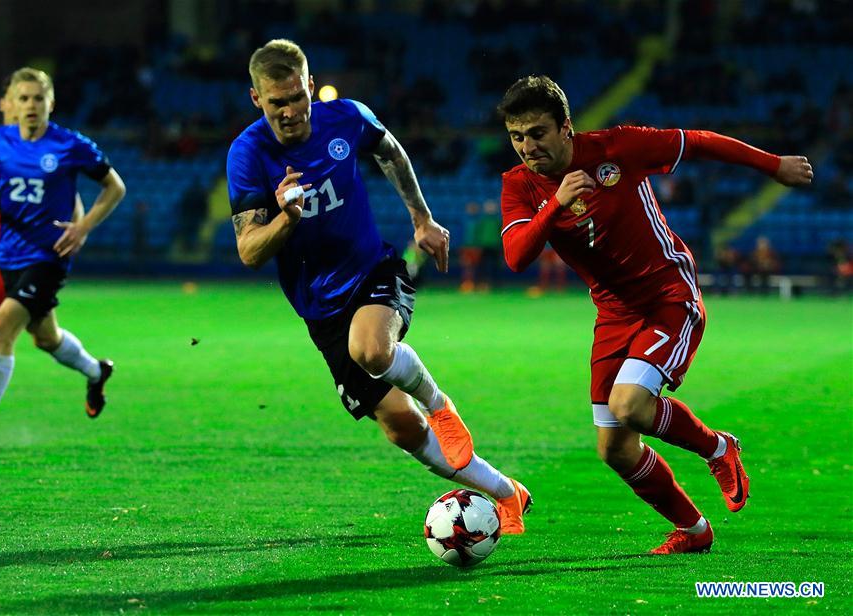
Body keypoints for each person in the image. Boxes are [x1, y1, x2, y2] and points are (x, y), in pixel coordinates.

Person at [496, 75, 813, 553]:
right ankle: (693, 530)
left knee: (630, 406)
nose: (527, 147)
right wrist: (555, 206)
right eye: (517, 136)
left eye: (537, 133)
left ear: (566, 128)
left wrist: (773, 166)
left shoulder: (617, 147)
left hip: (667, 295)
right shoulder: (518, 186)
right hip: (613, 313)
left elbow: (698, 142)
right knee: (616, 449)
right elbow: (517, 256)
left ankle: (718, 448)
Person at [226, 39, 530, 533]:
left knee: (372, 349)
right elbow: (249, 251)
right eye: (275, 102)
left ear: (309, 86)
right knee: (401, 428)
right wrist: (286, 219)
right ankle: (505, 491)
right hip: (319, 310)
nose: (289, 111)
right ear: (256, 99)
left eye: (296, 97)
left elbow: (390, 151)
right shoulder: (247, 154)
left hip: (373, 272)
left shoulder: (346, 117)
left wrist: (422, 218)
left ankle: (441, 405)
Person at [0, 67, 126, 455]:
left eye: (38, 98)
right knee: (46, 338)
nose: (31, 105)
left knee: (0, 329)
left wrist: (83, 227)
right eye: (24, 98)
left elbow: (115, 186)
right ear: (11, 104)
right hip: (9, 256)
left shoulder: (70, 145)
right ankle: (97, 372)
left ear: (51, 103)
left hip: (49, 256)